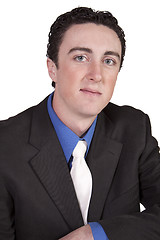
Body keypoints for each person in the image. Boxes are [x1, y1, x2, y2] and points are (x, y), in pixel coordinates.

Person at [0, 6, 160, 240]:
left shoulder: (134, 128)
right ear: (52, 68)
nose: (96, 74)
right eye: (81, 57)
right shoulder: (5, 145)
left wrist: (95, 234)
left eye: (108, 60)